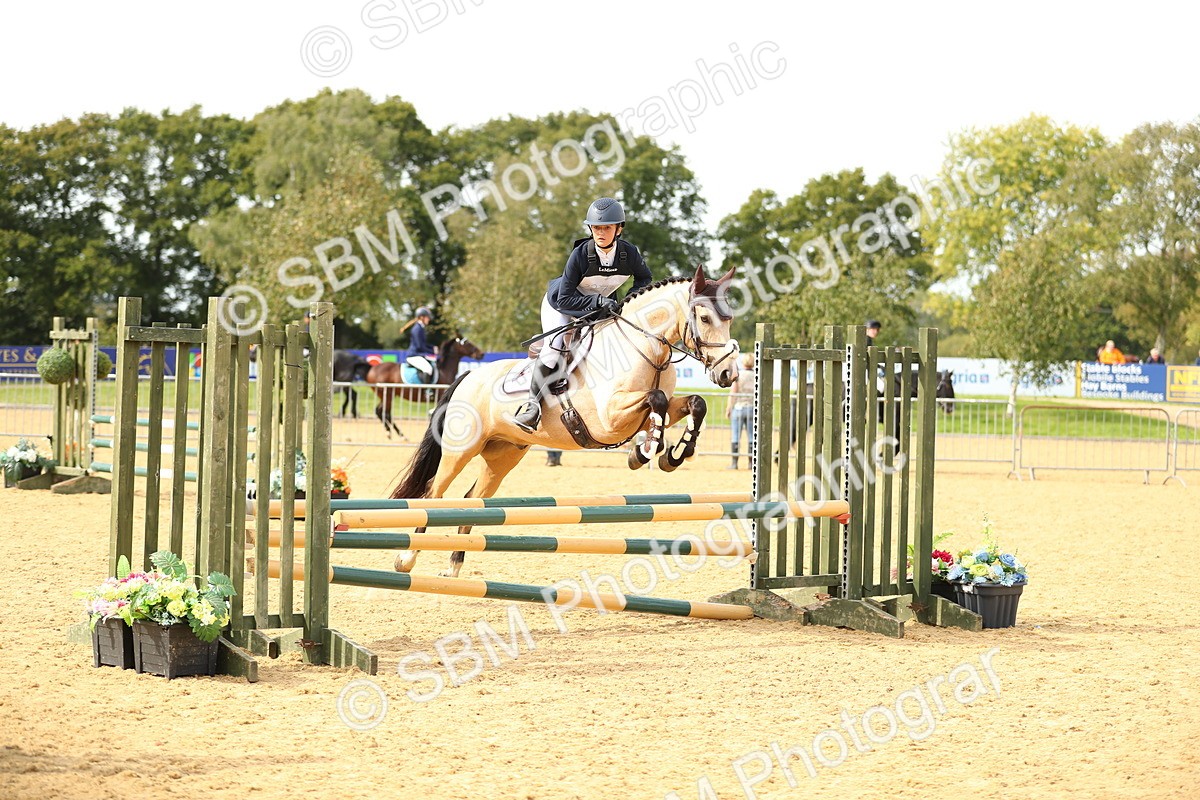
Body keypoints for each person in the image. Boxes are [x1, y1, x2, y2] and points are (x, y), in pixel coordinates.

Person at [512, 197, 653, 432]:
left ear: (618, 229)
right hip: (561, 304)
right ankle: (531, 407)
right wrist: (598, 301)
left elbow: (644, 279)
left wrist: (627, 302)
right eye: (596, 228)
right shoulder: (580, 254)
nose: (600, 233)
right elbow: (565, 298)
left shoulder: (629, 254)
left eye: (606, 227)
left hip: (601, 307)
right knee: (554, 348)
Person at [726, 352, 756, 469]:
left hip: (739, 407)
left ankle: (734, 463)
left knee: (735, 436)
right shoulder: (756, 375)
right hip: (751, 408)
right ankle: (750, 463)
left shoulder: (738, 375)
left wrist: (729, 407)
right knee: (751, 437)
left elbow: (733, 392)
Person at [405, 307, 436, 383]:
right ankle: (427, 391)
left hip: (418, 354)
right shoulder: (417, 329)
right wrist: (432, 351)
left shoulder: (420, 328)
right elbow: (420, 346)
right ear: (422, 317)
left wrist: (432, 348)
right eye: (427, 317)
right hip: (414, 355)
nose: (429, 319)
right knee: (428, 369)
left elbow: (423, 344)